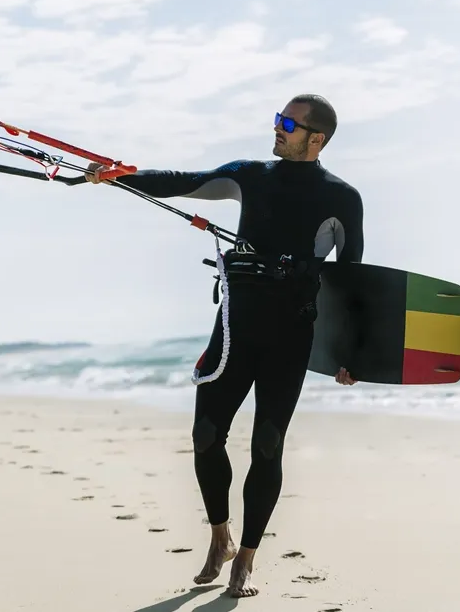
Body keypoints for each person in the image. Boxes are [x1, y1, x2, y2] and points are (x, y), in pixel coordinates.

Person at [86, 93, 364, 598]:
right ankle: (221, 536)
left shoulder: (342, 198)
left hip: (290, 336)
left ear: (316, 138)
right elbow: (182, 183)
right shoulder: (251, 175)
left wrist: (352, 354)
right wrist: (119, 175)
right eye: (279, 119)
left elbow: (352, 284)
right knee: (205, 437)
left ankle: (249, 559)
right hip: (235, 327)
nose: (277, 127)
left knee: (267, 446)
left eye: (289, 123)